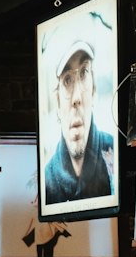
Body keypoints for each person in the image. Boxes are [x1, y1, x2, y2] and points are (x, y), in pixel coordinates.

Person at [42, 33, 114, 204]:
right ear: (57, 103)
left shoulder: (115, 151)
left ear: (94, 91)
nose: (76, 98)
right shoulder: (47, 179)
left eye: (83, 74)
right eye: (67, 80)